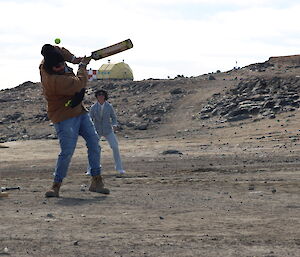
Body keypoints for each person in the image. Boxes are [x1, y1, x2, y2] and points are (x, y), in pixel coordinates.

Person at [39, 44, 109, 197]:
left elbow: (57, 49)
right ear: (51, 68)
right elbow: (80, 83)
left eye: (62, 63)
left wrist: (73, 59)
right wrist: (82, 65)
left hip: (79, 111)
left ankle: (96, 181)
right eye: (58, 67)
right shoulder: (54, 81)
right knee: (67, 151)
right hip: (63, 115)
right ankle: (56, 185)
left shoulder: (49, 60)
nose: (62, 67)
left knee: (94, 143)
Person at [87, 89, 125, 175]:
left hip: (108, 130)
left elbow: (114, 117)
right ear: (96, 97)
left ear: (105, 97)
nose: (101, 97)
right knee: (93, 149)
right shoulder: (93, 107)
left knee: (115, 147)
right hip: (97, 131)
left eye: (102, 95)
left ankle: (119, 168)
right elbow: (90, 119)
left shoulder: (109, 106)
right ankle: (90, 169)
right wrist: (90, 129)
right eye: (99, 95)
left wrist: (114, 125)